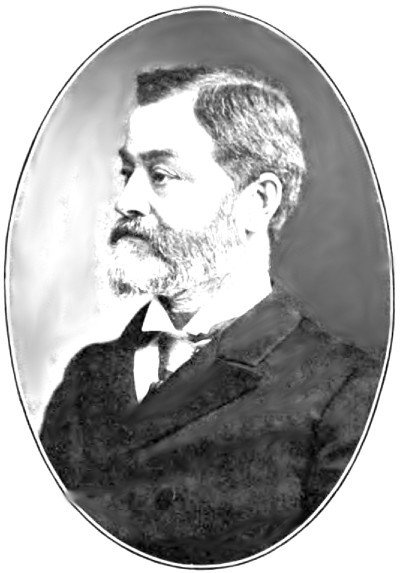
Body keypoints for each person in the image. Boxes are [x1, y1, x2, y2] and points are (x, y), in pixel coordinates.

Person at [39, 65, 381, 565]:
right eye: (127, 173)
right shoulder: (88, 374)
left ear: (257, 202)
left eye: (161, 175)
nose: (127, 202)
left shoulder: (351, 392)